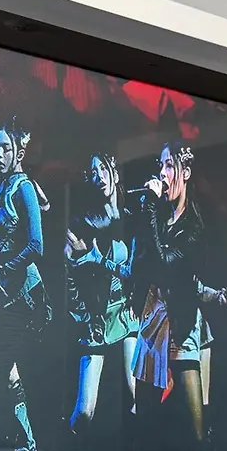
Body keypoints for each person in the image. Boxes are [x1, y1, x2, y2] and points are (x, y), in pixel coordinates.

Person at [131, 142, 211, 451]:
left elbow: (166, 261)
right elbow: (143, 260)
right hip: (153, 319)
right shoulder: (158, 215)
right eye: (160, 165)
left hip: (180, 322)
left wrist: (149, 209)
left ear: (185, 172)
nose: (162, 174)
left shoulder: (194, 226)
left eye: (168, 166)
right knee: (145, 422)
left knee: (195, 431)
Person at [0, 117, 50, 451]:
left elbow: (36, 245)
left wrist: (1, 268)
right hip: (1, 295)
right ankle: (26, 445)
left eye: (4, 147)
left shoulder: (23, 188)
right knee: (7, 373)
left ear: (18, 151)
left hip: (25, 296)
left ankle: (29, 445)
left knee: (2, 366)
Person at [66, 153, 138, 433]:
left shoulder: (131, 218)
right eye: (93, 173)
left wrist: (98, 260)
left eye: (103, 169)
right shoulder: (84, 222)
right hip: (96, 317)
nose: (99, 177)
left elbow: (133, 272)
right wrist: (84, 316)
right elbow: (70, 274)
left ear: (115, 173)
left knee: (135, 392)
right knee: (84, 412)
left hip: (126, 313)